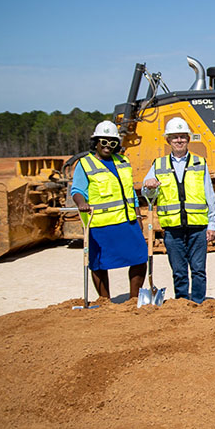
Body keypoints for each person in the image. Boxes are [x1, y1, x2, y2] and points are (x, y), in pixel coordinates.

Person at [141, 117, 215, 303]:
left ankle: (199, 303)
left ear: (188, 139)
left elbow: (210, 196)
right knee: (179, 271)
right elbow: (147, 192)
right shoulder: (158, 165)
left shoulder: (200, 163)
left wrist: (212, 224)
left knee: (199, 270)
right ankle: (182, 302)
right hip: (172, 228)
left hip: (198, 227)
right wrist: (148, 186)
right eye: (174, 137)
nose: (179, 140)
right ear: (168, 140)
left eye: (182, 136)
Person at [70, 120, 147, 299]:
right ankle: (105, 301)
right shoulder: (85, 164)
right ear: (96, 142)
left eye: (112, 142)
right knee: (98, 264)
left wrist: (138, 216)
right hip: (100, 224)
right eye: (103, 141)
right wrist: (81, 203)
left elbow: (130, 193)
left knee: (140, 257)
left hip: (127, 222)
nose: (107, 146)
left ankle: (133, 299)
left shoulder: (123, 161)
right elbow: (77, 190)